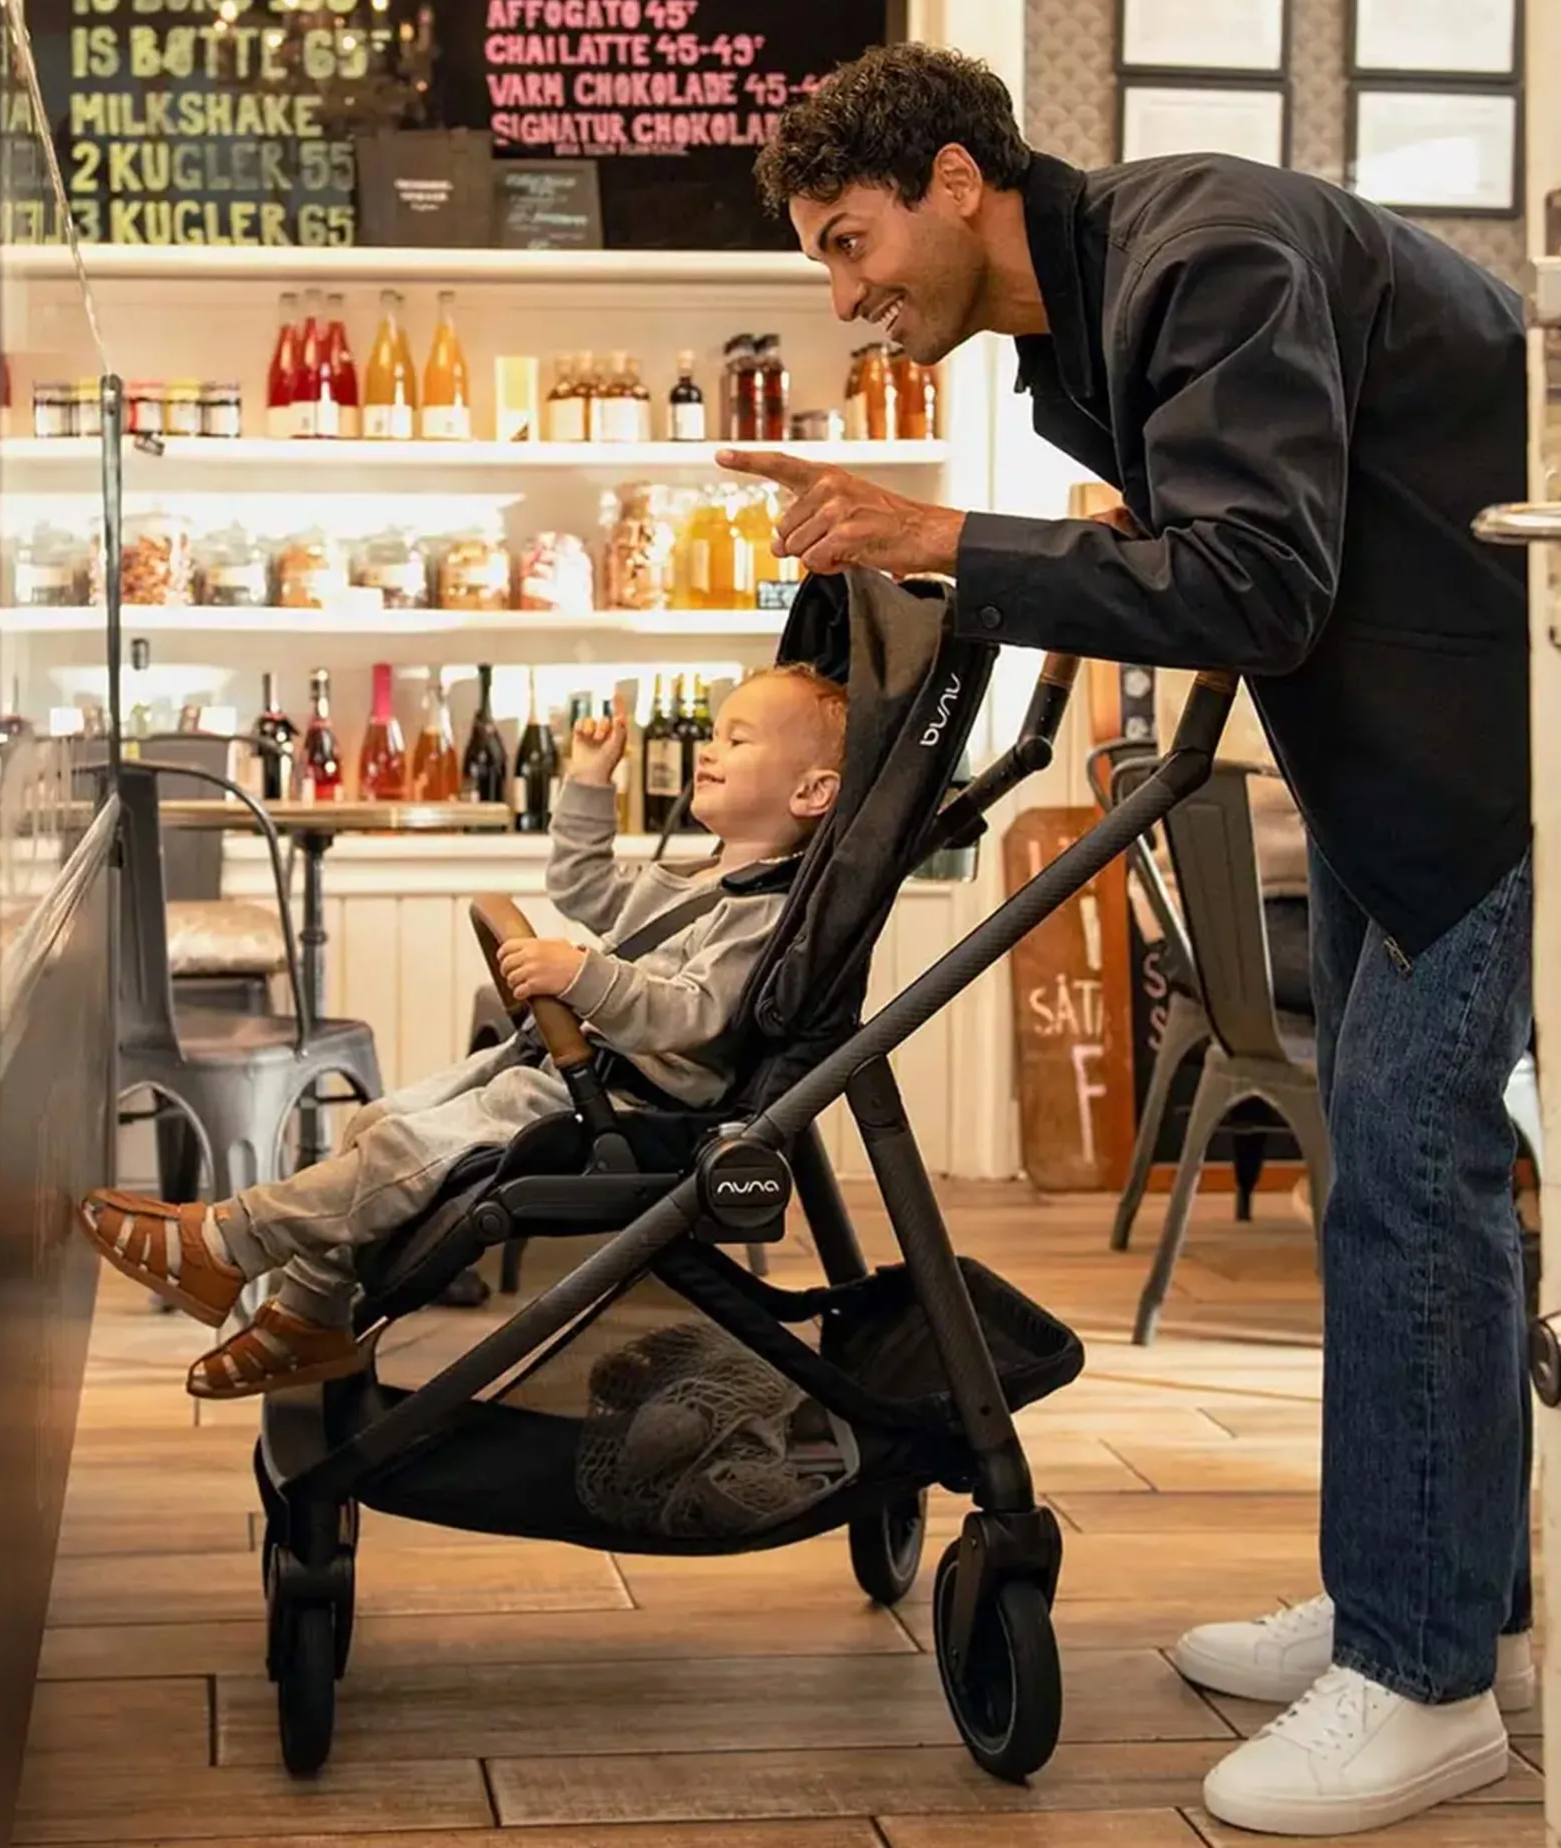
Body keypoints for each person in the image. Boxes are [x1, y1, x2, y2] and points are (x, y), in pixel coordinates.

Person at [724, 43, 1532, 1840]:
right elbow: (1236, 521)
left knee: (1414, 1187)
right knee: (1399, 1185)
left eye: (851, 244)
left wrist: (948, 536)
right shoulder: (1084, 319)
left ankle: (1424, 1684)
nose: (846, 297)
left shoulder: (1202, 253)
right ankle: (1433, 1588)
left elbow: (1256, 581)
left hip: (1479, 753)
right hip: (1393, 746)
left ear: (955, 178)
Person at [77, 666, 846, 1400]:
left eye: (738, 740)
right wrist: (588, 781)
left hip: (626, 1105)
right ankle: (309, 1318)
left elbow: (692, 1014)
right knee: (379, 1122)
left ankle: (229, 1241)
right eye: (714, 733)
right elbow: (581, 886)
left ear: (811, 791)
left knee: (404, 1152)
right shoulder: (701, 878)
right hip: (563, 1069)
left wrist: (581, 975)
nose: (709, 749)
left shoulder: (766, 915)